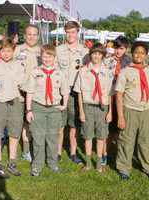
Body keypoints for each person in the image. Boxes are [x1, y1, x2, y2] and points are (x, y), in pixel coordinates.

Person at [116, 41, 149, 180]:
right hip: (130, 110)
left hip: (146, 111)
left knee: (146, 140)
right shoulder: (125, 71)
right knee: (126, 140)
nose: (139, 55)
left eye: (142, 53)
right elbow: (119, 95)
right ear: (131, 53)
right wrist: (121, 116)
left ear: (146, 55)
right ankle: (124, 168)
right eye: (136, 52)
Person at [25, 44, 69, 176]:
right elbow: (30, 92)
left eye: (50, 56)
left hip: (54, 109)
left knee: (52, 138)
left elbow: (65, 91)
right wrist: (29, 110)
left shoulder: (59, 73)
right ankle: (37, 165)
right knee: (38, 138)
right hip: (38, 108)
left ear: (54, 57)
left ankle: (52, 163)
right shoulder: (35, 72)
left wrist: (64, 105)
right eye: (44, 56)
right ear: (41, 57)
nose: (47, 59)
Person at [0, 38, 26, 178]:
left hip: (14, 103)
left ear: (13, 51)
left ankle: (12, 162)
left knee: (14, 133)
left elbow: (22, 84)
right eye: (3, 51)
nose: (6, 53)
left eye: (8, 50)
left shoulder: (19, 66)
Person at [74, 43, 113, 172]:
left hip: (103, 108)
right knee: (88, 136)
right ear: (90, 55)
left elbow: (110, 93)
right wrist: (81, 111)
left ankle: (99, 164)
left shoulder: (107, 72)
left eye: (99, 54)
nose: (96, 56)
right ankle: (89, 162)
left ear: (103, 56)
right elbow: (79, 92)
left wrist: (110, 112)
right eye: (94, 53)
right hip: (88, 107)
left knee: (101, 136)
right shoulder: (83, 71)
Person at [56, 21, 89, 163]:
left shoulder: (85, 52)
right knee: (59, 125)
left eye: (73, 32)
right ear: (65, 33)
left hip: (76, 93)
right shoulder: (58, 50)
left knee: (74, 125)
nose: (70, 35)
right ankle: (57, 152)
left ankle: (73, 153)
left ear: (78, 32)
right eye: (68, 32)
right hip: (60, 92)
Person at [103, 36, 132, 166]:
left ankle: (121, 156)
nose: (118, 51)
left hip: (124, 98)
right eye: (116, 48)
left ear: (126, 49)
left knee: (121, 129)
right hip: (109, 96)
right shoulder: (107, 61)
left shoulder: (130, 62)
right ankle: (104, 154)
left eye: (121, 48)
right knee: (108, 128)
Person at [14, 24, 41, 162]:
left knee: (30, 124)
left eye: (34, 34)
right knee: (19, 123)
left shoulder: (41, 51)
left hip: (36, 94)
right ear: (25, 35)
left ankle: (29, 150)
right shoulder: (18, 50)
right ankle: (24, 151)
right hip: (19, 94)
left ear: (38, 36)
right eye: (29, 34)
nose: (32, 37)